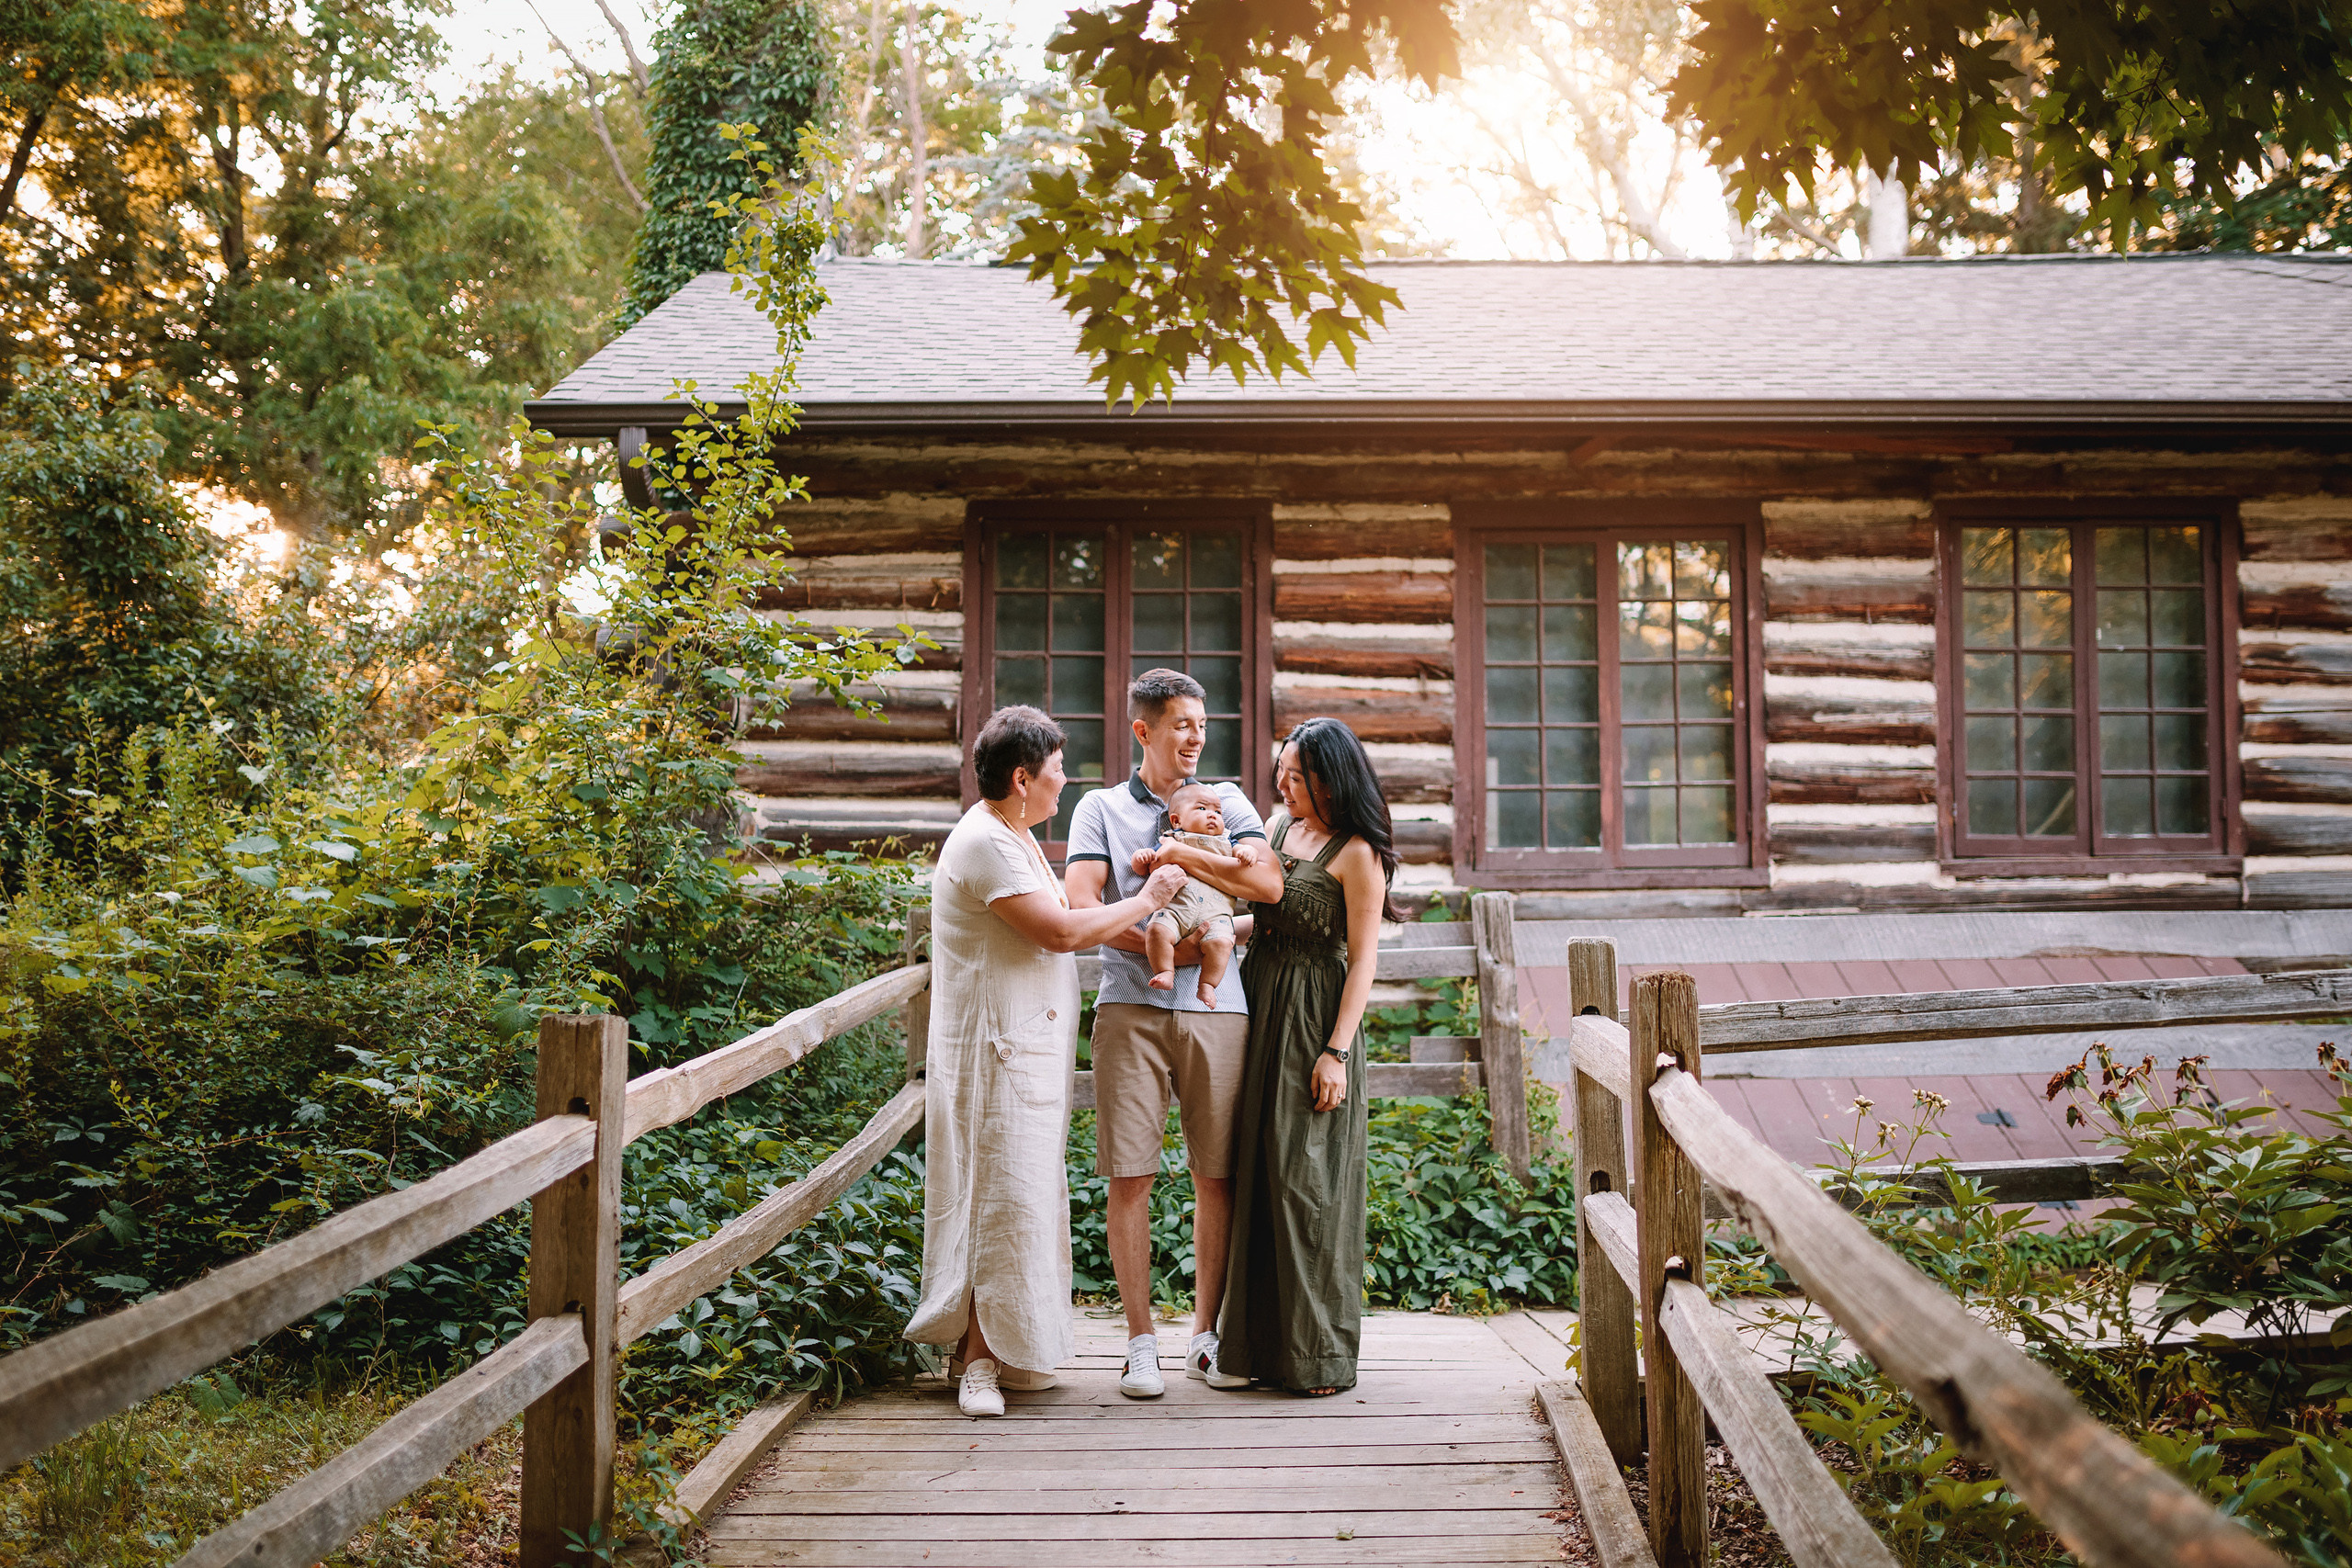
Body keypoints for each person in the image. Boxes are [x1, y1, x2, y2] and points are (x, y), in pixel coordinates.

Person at [904, 705, 1188, 1419]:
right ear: (1023, 776)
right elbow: (1062, 930)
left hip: (1022, 1054)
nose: (1067, 779)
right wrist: (1148, 900)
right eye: (1057, 767)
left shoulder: (1018, 835)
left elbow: (1069, 917)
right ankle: (975, 1364)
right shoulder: (986, 843)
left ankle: (1009, 1351)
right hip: (992, 1058)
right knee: (996, 1201)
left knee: (1024, 1202)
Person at [1065, 670, 1271, 1398]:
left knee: (1218, 1174)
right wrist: (1183, 939)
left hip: (1220, 1012)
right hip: (1130, 1007)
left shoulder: (1231, 802)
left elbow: (1268, 889)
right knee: (1132, 1173)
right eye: (1181, 723)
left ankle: (1205, 1337)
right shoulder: (1099, 808)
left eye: (1203, 722)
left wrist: (1194, 926)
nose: (1197, 736)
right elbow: (1082, 903)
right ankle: (1140, 1341)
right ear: (1143, 730)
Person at [1201, 716, 1399, 1397]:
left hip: (1315, 1016)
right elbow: (1272, 912)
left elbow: (1364, 958)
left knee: (1306, 1184)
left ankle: (1317, 1355)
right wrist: (1222, 928)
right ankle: (1256, 1349)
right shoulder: (1280, 833)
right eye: (1280, 770)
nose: (1282, 783)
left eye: (1296, 774)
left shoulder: (1359, 853)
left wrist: (1336, 1052)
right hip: (1260, 1000)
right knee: (1256, 1172)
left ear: (1331, 777)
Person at [1134, 780, 1274, 1008]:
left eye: (1217, 811)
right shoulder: (1172, 839)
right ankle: (1166, 971)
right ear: (1176, 820)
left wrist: (1247, 851)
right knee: (1157, 930)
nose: (1212, 815)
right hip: (1176, 910)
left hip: (1215, 916)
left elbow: (1241, 851)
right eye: (1202, 809)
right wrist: (1141, 857)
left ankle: (1207, 984)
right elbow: (1146, 867)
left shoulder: (1227, 839)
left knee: (1222, 943)